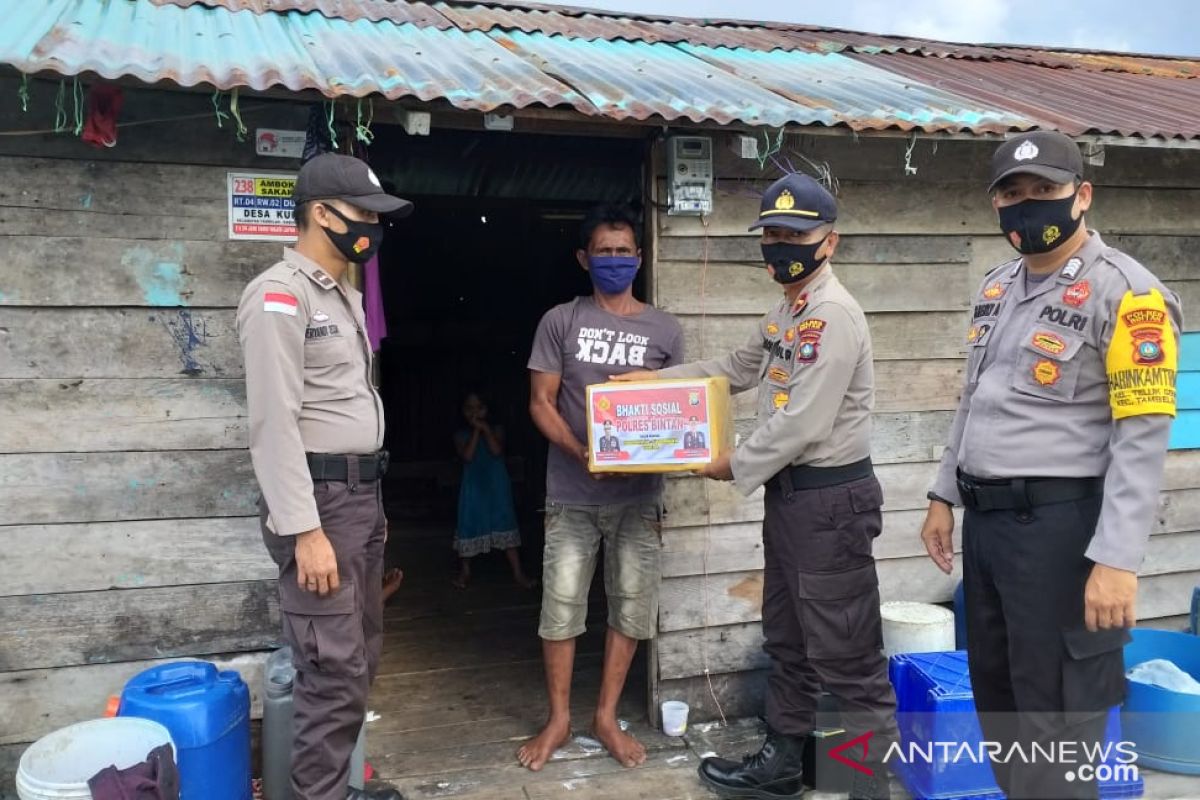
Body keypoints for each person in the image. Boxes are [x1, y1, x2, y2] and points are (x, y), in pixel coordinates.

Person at [920, 130, 1182, 800]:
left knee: (1057, 729)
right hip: (989, 534)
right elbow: (974, 399)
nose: (1027, 205)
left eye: (1045, 191)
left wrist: (1117, 560)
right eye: (1013, 193)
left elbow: (1143, 436)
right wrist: (942, 494)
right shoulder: (998, 287)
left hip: (1064, 538)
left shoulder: (1127, 295)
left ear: (1082, 195)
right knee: (1002, 708)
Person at [620, 173, 897, 800]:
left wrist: (732, 463)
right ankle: (783, 766)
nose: (780, 245)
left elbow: (805, 422)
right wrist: (655, 382)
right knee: (790, 637)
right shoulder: (789, 309)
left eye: (794, 235)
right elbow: (736, 368)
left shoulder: (833, 315)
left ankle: (866, 785)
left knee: (846, 653)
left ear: (829, 241)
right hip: (795, 501)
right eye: (771, 234)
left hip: (830, 500)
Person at [237, 153, 412, 800]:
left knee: (358, 659)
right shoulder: (280, 297)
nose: (372, 227)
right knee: (331, 674)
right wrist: (304, 528)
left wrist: (371, 499)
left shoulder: (342, 296)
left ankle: (338, 787)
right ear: (320, 213)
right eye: (364, 215)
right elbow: (273, 426)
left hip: (358, 499)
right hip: (318, 506)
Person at [519, 204, 684, 772]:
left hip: (640, 499)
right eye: (604, 252)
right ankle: (559, 718)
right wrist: (583, 453)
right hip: (571, 494)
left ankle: (605, 716)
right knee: (560, 609)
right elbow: (541, 404)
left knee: (631, 609)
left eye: (624, 252)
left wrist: (673, 450)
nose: (615, 261)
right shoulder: (560, 321)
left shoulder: (664, 329)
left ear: (639, 257)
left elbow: (677, 410)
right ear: (584, 258)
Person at [452, 391, 537, 590]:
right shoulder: (460, 434)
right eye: (469, 409)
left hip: (496, 485)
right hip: (473, 486)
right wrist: (476, 431)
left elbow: (496, 450)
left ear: (488, 409)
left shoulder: (497, 429)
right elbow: (468, 456)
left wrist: (486, 430)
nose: (475, 413)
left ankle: (518, 572)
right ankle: (465, 571)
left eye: (479, 408)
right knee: (469, 521)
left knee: (504, 520)